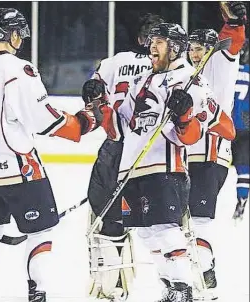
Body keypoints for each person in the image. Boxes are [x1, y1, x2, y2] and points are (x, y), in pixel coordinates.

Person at [0, 8, 113, 302]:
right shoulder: (19, 70)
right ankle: (37, 294)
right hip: (19, 170)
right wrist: (86, 120)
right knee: (41, 232)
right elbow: (46, 121)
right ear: (14, 34)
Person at [118, 23, 235, 302]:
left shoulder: (190, 81)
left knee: (164, 229)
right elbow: (119, 123)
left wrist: (185, 117)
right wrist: (98, 106)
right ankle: (171, 286)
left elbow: (219, 129)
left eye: (159, 42)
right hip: (132, 168)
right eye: (151, 41)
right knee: (145, 233)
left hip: (165, 167)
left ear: (175, 47)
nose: (152, 47)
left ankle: (184, 288)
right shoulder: (142, 80)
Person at [84, 13, 164, 300]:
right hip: (150, 150)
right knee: (162, 225)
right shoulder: (173, 67)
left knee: (109, 220)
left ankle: (112, 282)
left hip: (120, 149)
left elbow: (93, 94)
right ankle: (178, 282)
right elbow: (93, 95)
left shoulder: (114, 62)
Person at [187, 2, 246, 298]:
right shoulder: (185, 73)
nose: (195, 53)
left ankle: (204, 278)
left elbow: (232, 42)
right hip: (185, 157)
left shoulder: (220, 62)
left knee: (198, 220)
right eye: (192, 48)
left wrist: (233, 22)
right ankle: (191, 276)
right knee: (177, 224)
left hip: (210, 156)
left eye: (201, 48)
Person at [232, 38, 249, 220]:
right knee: (244, 166)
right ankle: (242, 197)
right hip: (245, 124)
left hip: (224, 124)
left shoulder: (225, 71)